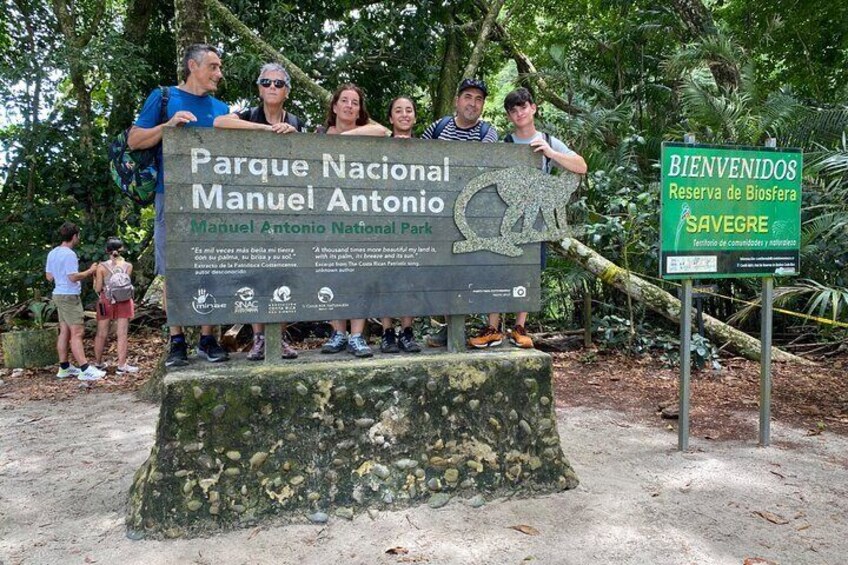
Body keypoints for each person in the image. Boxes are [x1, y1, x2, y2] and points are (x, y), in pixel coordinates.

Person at [128, 43, 231, 367]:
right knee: (174, 272)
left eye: (219, 67)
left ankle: (207, 338)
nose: (219, 73)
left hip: (210, 200)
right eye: (213, 66)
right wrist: (167, 127)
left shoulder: (220, 107)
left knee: (209, 268)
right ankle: (175, 341)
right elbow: (134, 140)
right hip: (170, 196)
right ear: (192, 66)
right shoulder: (163, 98)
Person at [469, 87, 588, 349]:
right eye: (513, 110)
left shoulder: (547, 140)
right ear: (509, 116)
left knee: (528, 274)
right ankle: (493, 327)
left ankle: (520, 327)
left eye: (523, 107)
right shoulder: (505, 143)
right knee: (497, 272)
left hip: (535, 225)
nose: (519, 113)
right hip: (506, 219)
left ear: (533, 108)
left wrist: (551, 153)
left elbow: (581, 166)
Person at [214, 62, 304, 361]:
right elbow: (219, 124)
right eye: (266, 82)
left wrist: (292, 134)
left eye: (279, 84)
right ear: (259, 88)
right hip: (251, 206)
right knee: (255, 274)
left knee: (281, 275)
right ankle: (259, 338)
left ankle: (279, 337)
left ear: (287, 91)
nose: (272, 88)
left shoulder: (295, 120)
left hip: (283, 207)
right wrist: (267, 130)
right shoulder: (247, 115)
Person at [420, 78, 498, 347]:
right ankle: (447, 328)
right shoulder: (438, 127)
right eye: (467, 97)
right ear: (457, 100)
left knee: (470, 273)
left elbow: (479, 163)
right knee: (443, 273)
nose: (472, 103)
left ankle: (466, 329)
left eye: (478, 99)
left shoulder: (488, 132)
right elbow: (418, 161)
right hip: (439, 213)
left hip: (471, 216)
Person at [318, 83, 390, 358]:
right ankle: (338, 333)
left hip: (360, 214)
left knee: (360, 273)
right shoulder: (320, 134)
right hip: (328, 214)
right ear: (334, 106)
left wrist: (349, 134)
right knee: (332, 273)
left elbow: (383, 130)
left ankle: (357, 336)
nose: (349, 106)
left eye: (355, 102)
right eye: (344, 101)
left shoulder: (369, 134)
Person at [377, 96, 422, 354]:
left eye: (409, 110)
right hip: (385, 225)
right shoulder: (379, 146)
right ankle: (387, 332)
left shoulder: (426, 148)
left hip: (414, 224)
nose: (404, 114)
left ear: (414, 116)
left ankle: (407, 331)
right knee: (386, 279)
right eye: (398, 111)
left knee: (410, 280)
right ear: (391, 118)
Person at [45, 222, 105, 381]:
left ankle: (64, 367)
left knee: (64, 331)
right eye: (78, 235)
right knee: (77, 332)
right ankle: (85, 369)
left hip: (58, 294)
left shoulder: (53, 253)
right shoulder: (69, 254)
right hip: (69, 296)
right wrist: (90, 271)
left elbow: (49, 277)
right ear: (74, 236)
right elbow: (73, 277)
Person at [93, 238, 138, 373]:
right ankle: (122, 365)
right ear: (122, 249)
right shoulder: (128, 266)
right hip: (123, 301)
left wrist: (94, 279)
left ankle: (98, 363)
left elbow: (98, 288)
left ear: (107, 250)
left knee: (101, 333)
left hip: (105, 301)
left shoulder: (101, 267)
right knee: (122, 334)